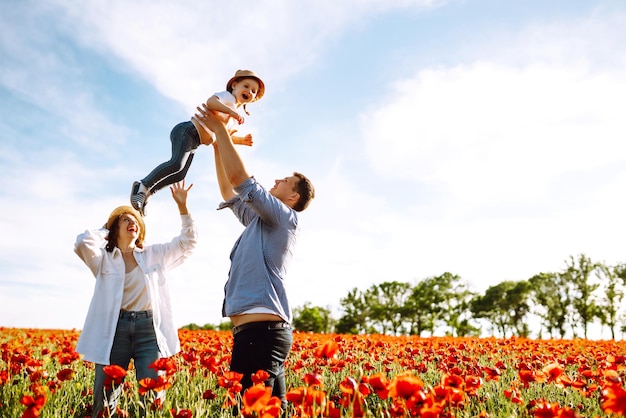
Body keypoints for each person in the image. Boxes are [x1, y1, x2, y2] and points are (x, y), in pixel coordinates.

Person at [192, 105, 315, 413]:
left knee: (245, 410)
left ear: (292, 198)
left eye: (285, 180)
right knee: (272, 410)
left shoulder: (284, 218)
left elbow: (240, 179)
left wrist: (220, 128)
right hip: (255, 334)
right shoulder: (260, 221)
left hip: (262, 336)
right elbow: (228, 191)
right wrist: (219, 146)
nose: (277, 179)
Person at [74, 180, 196, 417]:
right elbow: (82, 242)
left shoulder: (154, 254)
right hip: (114, 330)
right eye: (125, 220)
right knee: (104, 402)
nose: (132, 223)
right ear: (114, 229)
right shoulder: (103, 260)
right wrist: (106, 228)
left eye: (136, 221)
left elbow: (188, 243)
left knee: (151, 400)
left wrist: (182, 206)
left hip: (148, 331)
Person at [130, 69, 265, 216]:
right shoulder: (228, 98)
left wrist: (240, 140)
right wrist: (231, 112)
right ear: (234, 85)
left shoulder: (233, 117)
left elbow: (223, 136)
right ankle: (142, 186)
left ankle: (147, 193)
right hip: (188, 131)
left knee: (179, 174)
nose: (249, 92)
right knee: (176, 164)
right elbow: (211, 102)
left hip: (195, 142)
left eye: (253, 91)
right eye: (246, 86)